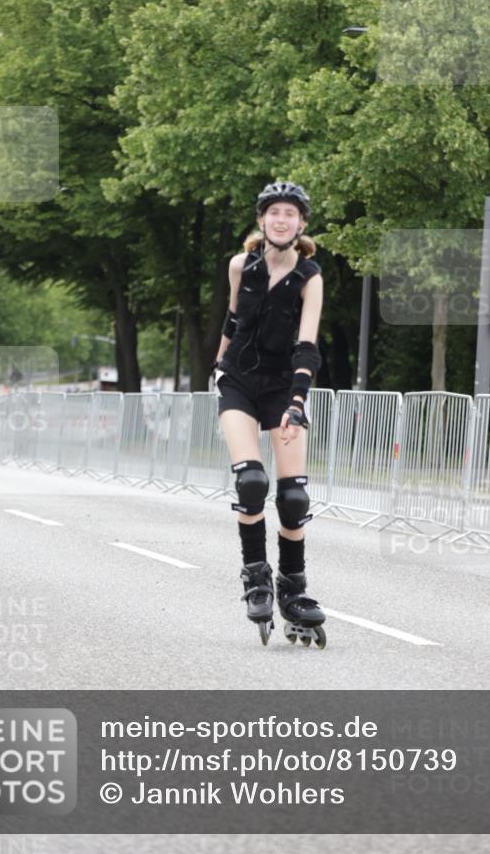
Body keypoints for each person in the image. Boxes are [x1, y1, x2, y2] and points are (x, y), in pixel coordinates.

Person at [213, 181, 326, 648]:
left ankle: (293, 590)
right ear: (262, 220)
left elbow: (307, 345)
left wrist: (297, 403)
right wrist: (217, 367)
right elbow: (233, 320)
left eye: (290, 213)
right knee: (251, 483)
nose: (281, 220)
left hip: (283, 388)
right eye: (274, 212)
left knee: (294, 498)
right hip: (239, 380)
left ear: (301, 224)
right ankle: (256, 578)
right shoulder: (241, 265)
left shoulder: (310, 277)